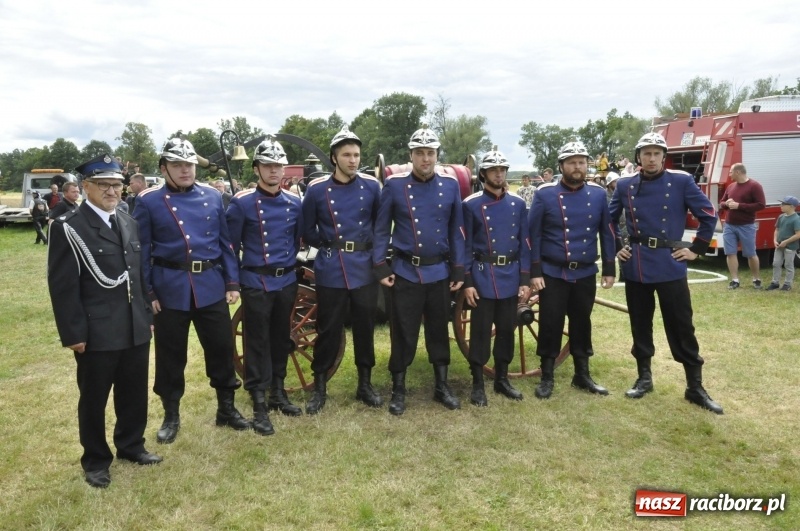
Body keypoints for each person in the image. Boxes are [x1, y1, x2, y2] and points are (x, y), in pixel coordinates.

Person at [47, 153, 161, 488]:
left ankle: (131, 445)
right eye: (104, 185)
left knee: (133, 392)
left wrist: (145, 315)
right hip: (96, 331)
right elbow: (63, 287)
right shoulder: (69, 228)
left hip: (133, 325)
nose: (112, 192)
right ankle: (96, 459)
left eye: (117, 185)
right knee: (94, 398)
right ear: (86, 187)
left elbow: (137, 275)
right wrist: (73, 334)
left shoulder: (128, 220)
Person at [134, 138, 250, 444]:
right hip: (169, 288)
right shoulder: (148, 202)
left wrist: (232, 282)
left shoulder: (213, 197)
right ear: (164, 168)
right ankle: (171, 414)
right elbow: (142, 252)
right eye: (177, 165)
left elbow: (226, 243)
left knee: (222, 349)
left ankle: (226, 409)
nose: (185, 170)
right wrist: (148, 293)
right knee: (171, 356)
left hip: (210, 285)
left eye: (189, 165)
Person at [610, 132, 723, 414]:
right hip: (636, 265)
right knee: (640, 323)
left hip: (670, 262)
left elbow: (708, 215)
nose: (651, 159)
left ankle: (694, 387)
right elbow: (608, 220)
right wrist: (617, 247)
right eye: (646, 153)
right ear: (638, 157)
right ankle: (644, 378)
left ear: (663, 157)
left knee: (681, 325)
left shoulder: (681, 181)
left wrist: (696, 248)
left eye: (656, 154)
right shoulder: (624, 185)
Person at [373, 126, 465, 415]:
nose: (426, 159)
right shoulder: (395, 185)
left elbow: (457, 231)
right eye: (420, 153)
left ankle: (442, 386)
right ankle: (398, 389)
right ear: (411, 156)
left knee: (439, 329)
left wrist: (459, 270)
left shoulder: (450, 186)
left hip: (438, 270)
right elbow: (380, 229)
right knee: (403, 331)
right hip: (405, 271)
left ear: (437, 156)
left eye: (431, 153)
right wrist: (380, 265)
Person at [302, 126, 382, 414]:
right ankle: (320, 386)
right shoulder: (317, 189)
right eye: (346, 155)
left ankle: (365, 384)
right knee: (328, 329)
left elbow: (379, 226)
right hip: (332, 267)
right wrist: (329, 246)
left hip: (364, 268)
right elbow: (306, 230)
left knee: (365, 328)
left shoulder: (373, 187)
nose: (353, 160)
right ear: (334, 158)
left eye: (357, 155)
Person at [226, 136, 303, 434]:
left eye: (278, 166)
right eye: (268, 166)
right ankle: (259, 402)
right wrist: (232, 282)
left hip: (286, 280)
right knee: (256, 342)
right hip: (256, 280)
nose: (274, 171)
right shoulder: (242, 203)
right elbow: (231, 247)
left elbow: (298, 238)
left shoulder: (295, 203)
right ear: (256, 169)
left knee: (281, 337)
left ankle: (278, 393)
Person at [528, 141, 615, 400]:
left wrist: (609, 268)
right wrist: (535, 272)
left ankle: (582, 375)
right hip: (552, 272)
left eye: (581, 162)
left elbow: (607, 233)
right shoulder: (544, 194)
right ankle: (547, 376)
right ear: (561, 166)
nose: (577, 167)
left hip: (585, 271)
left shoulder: (599, 195)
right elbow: (533, 236)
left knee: (581, 322)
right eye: (572, 162)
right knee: (550, 323)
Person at [462, 148, 530, 406]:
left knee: (506, 329)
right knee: (480, 332)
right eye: (494, 170)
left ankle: (502, 378)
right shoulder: (471, 204)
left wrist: (524, 279)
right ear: (483, 174)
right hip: (482, 275)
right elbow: (465, 245)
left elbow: (525, 243)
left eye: (502, 170)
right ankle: (477, 383)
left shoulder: (518, 204)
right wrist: (467, 281)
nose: (499, 174)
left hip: (510, 274)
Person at [719, 163, 766, 289]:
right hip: (729, 225)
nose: (729, 174)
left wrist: (739, 206)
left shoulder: (755, 186)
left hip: (746, 225)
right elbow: (722, 202)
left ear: (738, 172)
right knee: (730, 253)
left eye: (731, 172)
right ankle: (735, 280)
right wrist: (726, 204)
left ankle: (756, 279)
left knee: (750, 253)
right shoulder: (731, 186)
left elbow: (761, 204)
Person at [766, 196, 800, 291]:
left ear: (792, 206)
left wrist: (786, 242)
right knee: (776, 263)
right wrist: (775, 240)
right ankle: (775, 282)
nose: (781, 206)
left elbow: (798, 234)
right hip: (779, 245)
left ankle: (787, 284)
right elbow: (777, 230)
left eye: (784, 204)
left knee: (788, 265)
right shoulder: (781, 217)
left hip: (790, 246)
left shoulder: (796, 219)